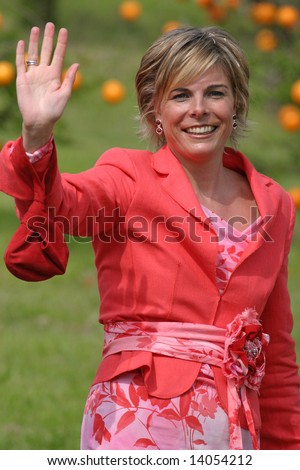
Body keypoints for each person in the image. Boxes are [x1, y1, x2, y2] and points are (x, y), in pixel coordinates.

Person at [0, 22, 299, 451]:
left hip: (236, 429)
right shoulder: (128, 176)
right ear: (154, 111)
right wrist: (37, 136)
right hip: (138, 418)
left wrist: (289, 451)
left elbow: (279, 354)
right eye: (180, 95)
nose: (199, 109)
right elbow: (65, 206)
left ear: (237, 104)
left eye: (214, 93)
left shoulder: (276, 203)